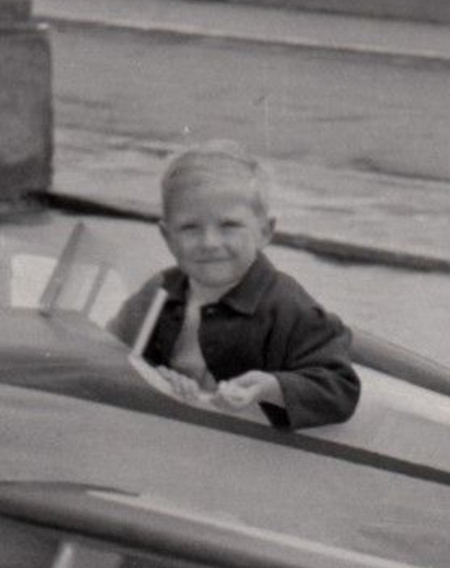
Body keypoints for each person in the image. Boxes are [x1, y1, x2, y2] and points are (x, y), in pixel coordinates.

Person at [108, 141, 360, 430]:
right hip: (178, 432)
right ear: (167, 236)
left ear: (265, 231)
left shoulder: (286, 305)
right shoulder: (160, 289)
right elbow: (112, 349)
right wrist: (158, 375)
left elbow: (341, 387)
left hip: (249, 452)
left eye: (229, 226)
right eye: (190, 227)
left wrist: (271, 387)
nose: (210, 243)